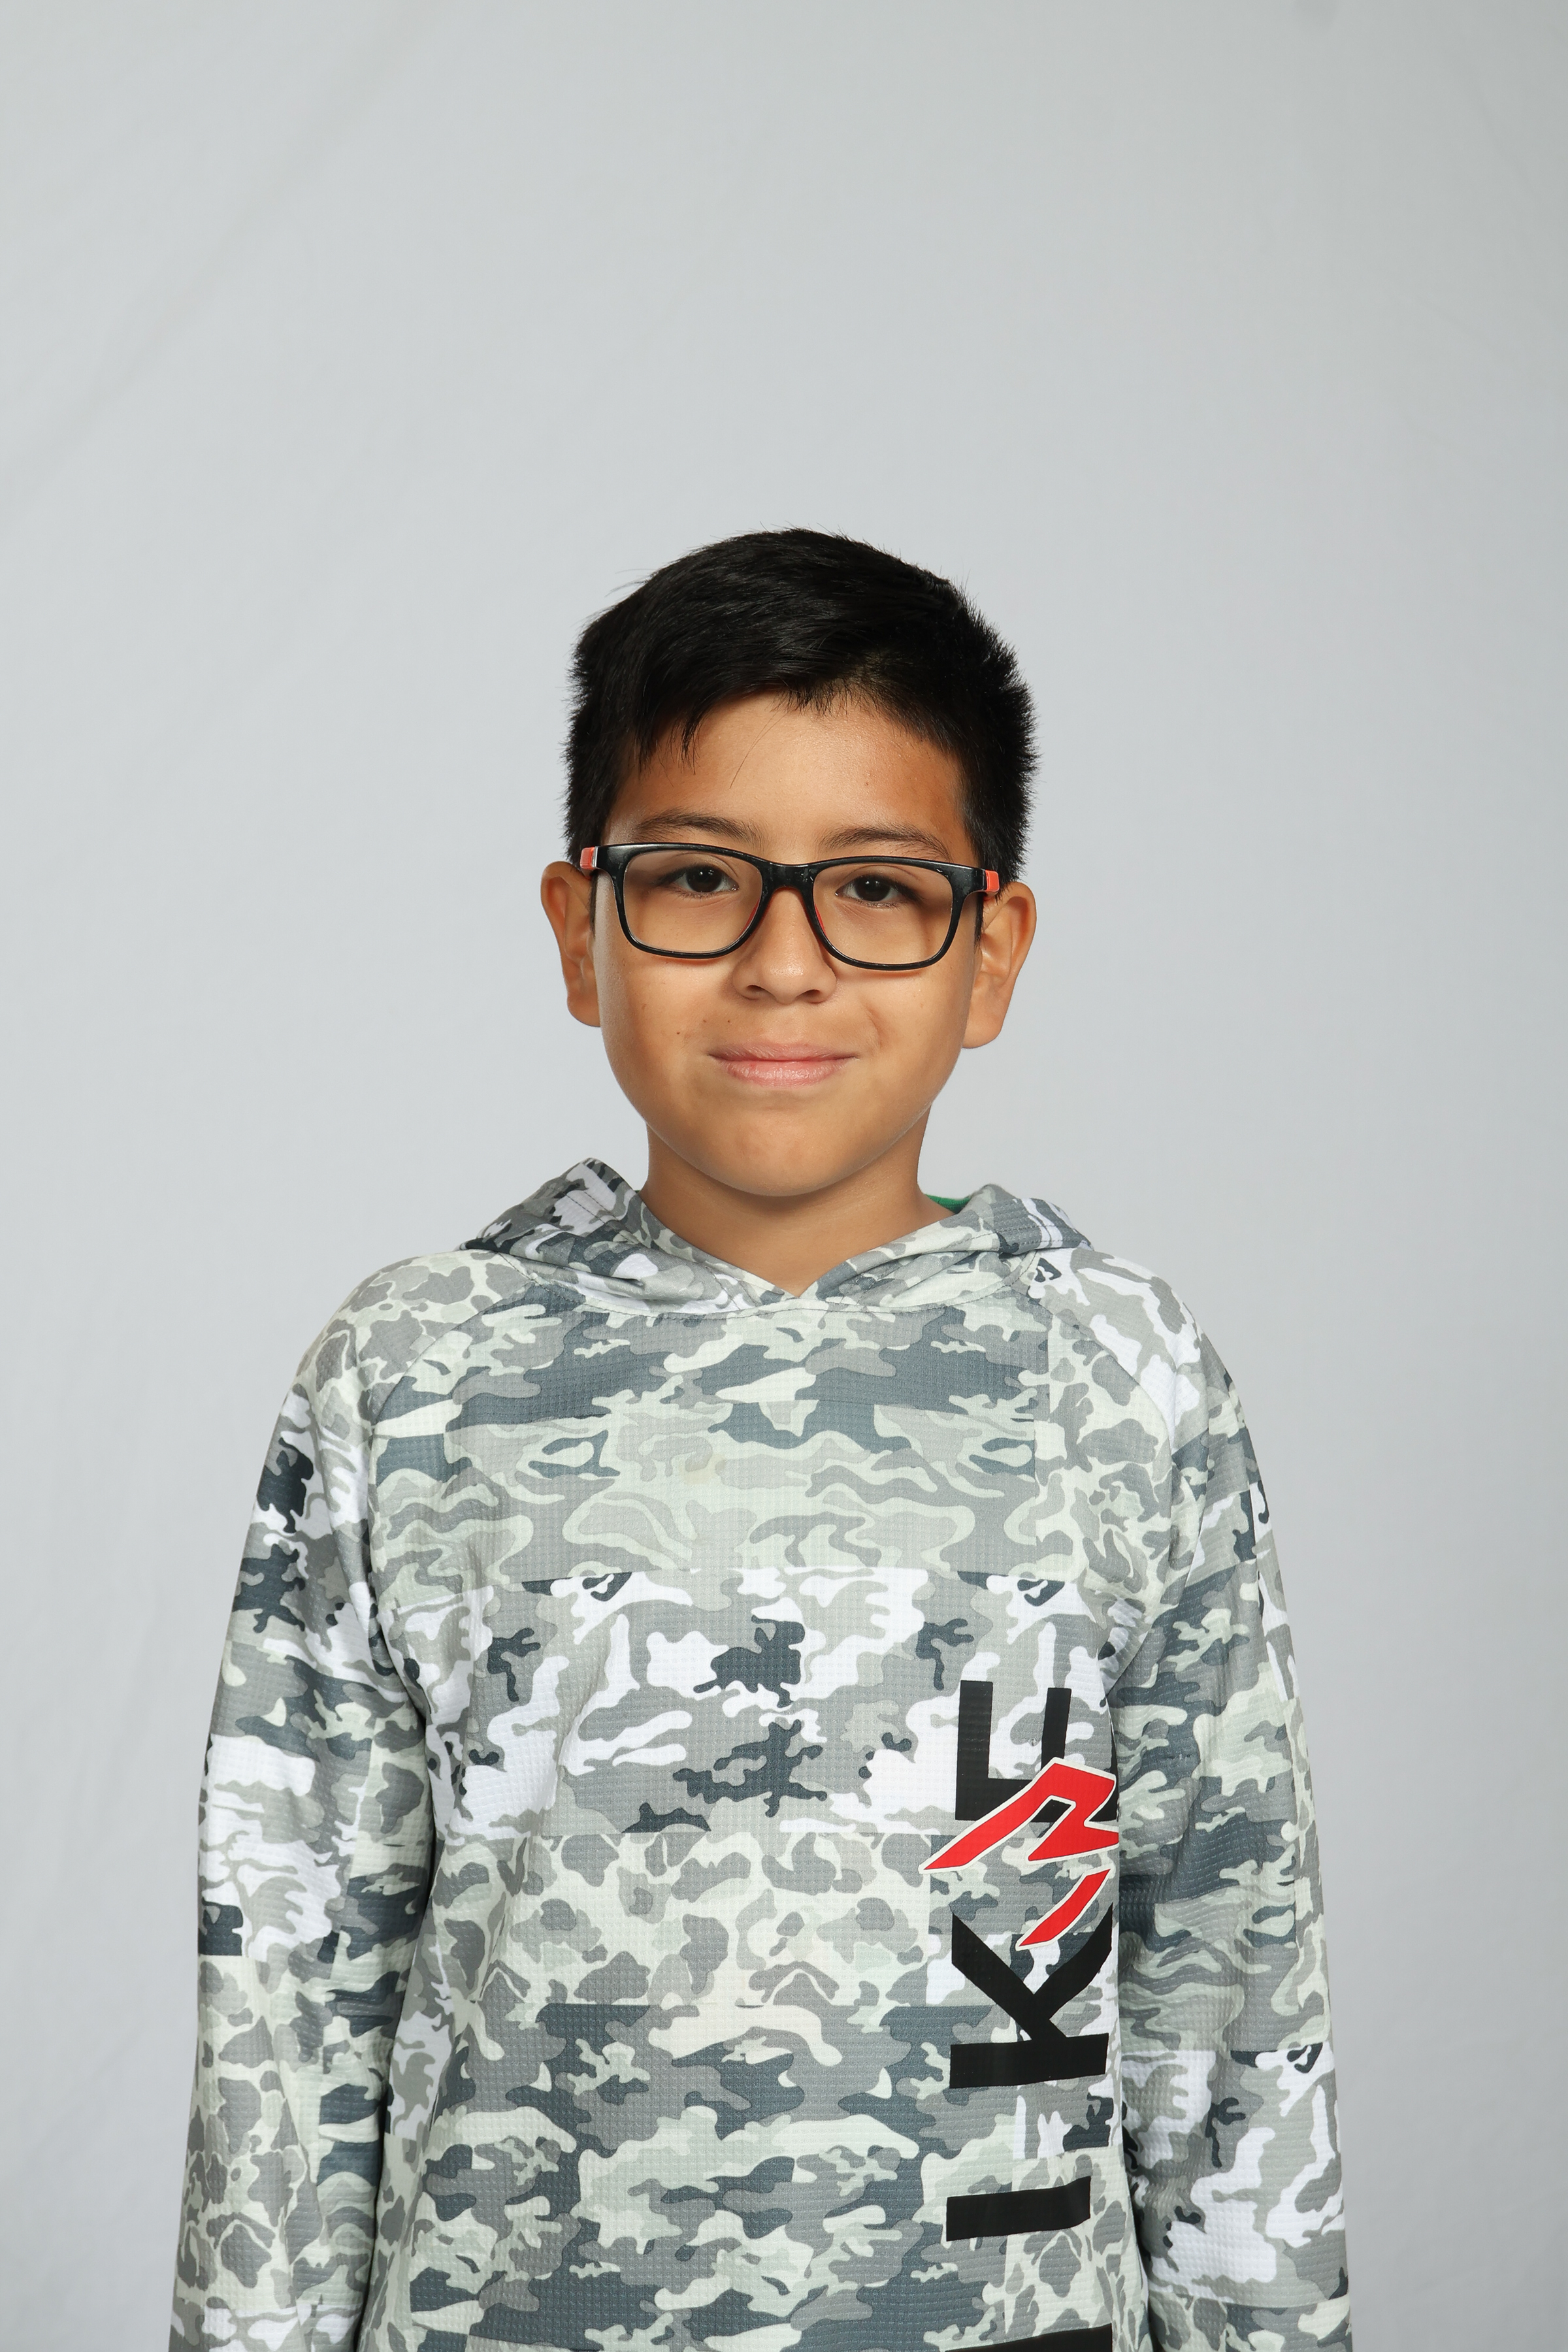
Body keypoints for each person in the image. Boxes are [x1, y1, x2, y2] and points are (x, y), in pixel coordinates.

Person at [171, 531, 1349, 2352]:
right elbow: (291, 1997)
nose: (784, 964)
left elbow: (1232, 1992)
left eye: (876, 889)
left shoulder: (1118, 1376)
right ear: (581, 930)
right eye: (700, 879)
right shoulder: (410, 1374)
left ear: (990, 951)